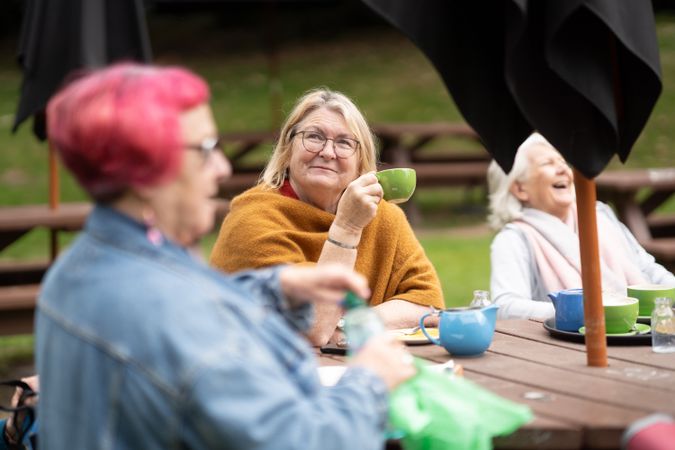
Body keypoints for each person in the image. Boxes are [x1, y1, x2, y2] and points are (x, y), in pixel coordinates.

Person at [36, 63, 416, 450]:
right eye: (204, 151)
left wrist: (274, 286)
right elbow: (305, 442)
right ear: (143, 174)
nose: (223, 168)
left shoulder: (80, 266)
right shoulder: (180, 321)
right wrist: (369, 380)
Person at [210, 88, 444, 346]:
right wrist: (347, 227)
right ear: (288, 149)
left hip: (366, 369)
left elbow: (428, 303)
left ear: (361, 161)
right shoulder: (253, 219)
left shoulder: (383, 216)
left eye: (344, 143)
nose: (328, 152)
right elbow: (315, 328)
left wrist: (350, 324)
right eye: (314, 137)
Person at [487, 132, 675, 319]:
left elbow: (648, 269)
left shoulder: (599, 215)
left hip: (639, 328)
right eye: (548, 163)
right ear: (520, 189)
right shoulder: (514, 239)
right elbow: (506, 306)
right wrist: (578, 312)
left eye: (562, 162)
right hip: (565, 344)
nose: (563, 169)